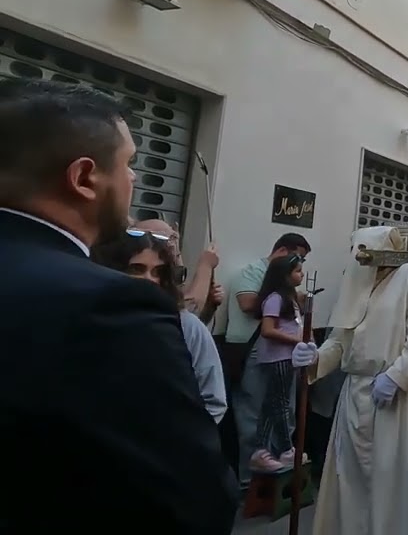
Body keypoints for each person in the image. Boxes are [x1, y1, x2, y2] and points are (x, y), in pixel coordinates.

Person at [0, 78, 236, 533]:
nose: (134, 179)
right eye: (129, 163)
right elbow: (191, 497)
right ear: (85, 178)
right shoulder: (110, 306)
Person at [290, 227, 408, 535]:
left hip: (395, 396)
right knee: (350, 476)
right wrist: (315, 358)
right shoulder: (356, 279)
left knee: (393, 474)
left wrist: (396, 377)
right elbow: (340, 340)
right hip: (354, 395)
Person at [93, 230, 227, 423]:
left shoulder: (186, 325)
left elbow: (213, 400)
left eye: (157, 272)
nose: (149, 278)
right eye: (137, 269)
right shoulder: (97, 316)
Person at [222, 232, 311, 485]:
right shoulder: (252, 273)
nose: (301, 269)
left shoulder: (285, 290)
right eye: (297, 260)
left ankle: (280, 467)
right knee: (254, 412)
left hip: (285, 354)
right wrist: (282, 298)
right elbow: (248, 304)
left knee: (283, 410)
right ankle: (250, 481)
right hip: (253, 349)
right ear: (282, 251)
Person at [249, 254, 308, 472]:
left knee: (271, 404)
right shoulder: (275, 298)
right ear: (284, 275)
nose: (301, 274)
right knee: (281, 405)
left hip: (288, 357)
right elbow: (268, 330)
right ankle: (286, 449)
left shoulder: (291, 298)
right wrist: (297, 340)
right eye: (297, 271)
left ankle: (260, 450)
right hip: (278, 357)